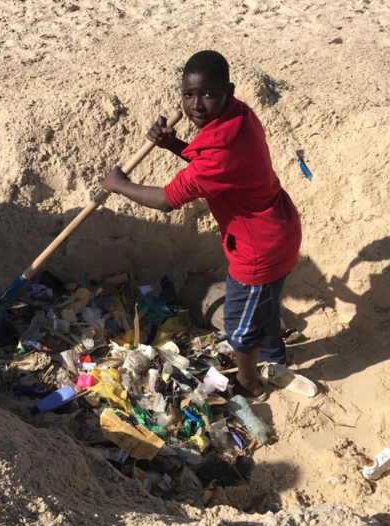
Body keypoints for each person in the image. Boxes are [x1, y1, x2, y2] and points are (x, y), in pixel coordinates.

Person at [102, 50, 302, 399]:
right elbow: (209, 162)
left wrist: (119, 184)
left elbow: (166, 199)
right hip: (279, 228)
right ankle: (274, 359)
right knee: (265, 307)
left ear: (228, 91)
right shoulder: (239, 117)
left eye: (207, 94)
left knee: (240, 327)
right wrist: (173, 144)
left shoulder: (220, 152)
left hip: (258, 250)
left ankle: (250, 383)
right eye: (188, 94)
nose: (195, 105)